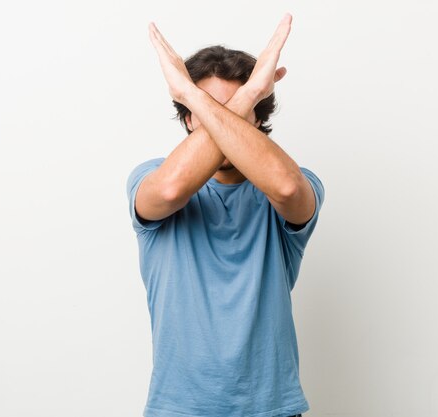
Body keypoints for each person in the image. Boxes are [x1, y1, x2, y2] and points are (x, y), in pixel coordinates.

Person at [126, 13, 324, 417]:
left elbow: (287, 190)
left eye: (239, 107)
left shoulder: (295, 181)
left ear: (259, 117)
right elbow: (170, 190)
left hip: (272, 408)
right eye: (205, 108)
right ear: (186, 118)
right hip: (179, 409)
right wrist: (244, 97)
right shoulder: (150, 176)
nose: (224, 119)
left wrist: (203, 94)